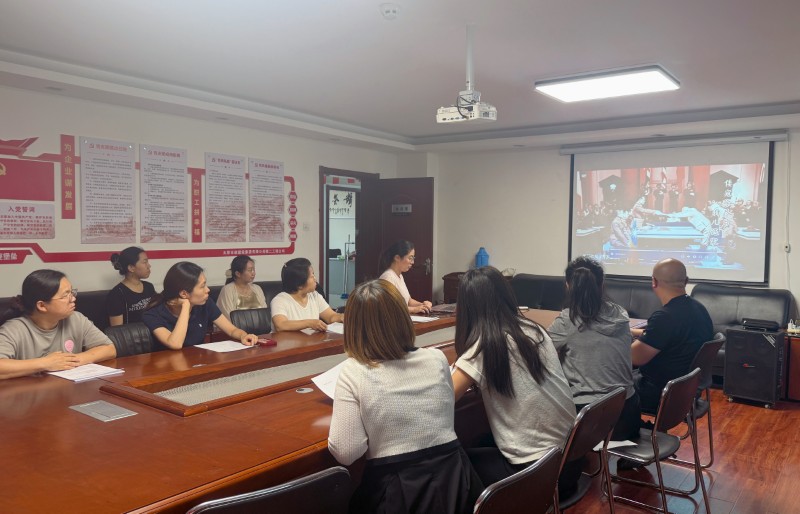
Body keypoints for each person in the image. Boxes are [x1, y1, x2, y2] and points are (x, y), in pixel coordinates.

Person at [328, 279, 482, 514]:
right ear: (403, 318)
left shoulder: (354, 371)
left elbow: (346, 452)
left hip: (398, 493)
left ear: (353, 327)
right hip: (457, 484)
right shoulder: (436, 358)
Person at [451, 267, 578, 497]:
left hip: (538, 477)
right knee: (481, 438)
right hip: (570, 463)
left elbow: (443, 397)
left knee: (455, 460)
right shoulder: (534, 330)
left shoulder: (485, 347)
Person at [548, 256, 640, 440]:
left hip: (590, 420)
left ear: (568, 286)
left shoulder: (568, 320)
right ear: (602, 283)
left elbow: (539, 351)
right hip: (628, 415)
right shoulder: (620, 313)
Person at [0, 270, 116, 380]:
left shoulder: (75, 319)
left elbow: (109, 349)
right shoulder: (13, 329)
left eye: (71, 292)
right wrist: (45, 363)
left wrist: (71, 361)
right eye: (65, 295)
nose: (73, 298)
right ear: (42, 306)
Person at [631, 258, 713, 413]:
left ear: (654, 282)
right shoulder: (698, 308)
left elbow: (634, 358)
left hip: (660, 392)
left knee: (611, 386)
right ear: (686, 281)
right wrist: (632, 332)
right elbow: (674, 337)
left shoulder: (665, 317)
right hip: (686, 390)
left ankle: (630, 427)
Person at [142, 262, 258, 350]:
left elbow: (232, 330)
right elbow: (175, 344)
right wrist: (186, 307)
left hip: (198, 362)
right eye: (202, 286)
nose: (207, 290)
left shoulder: (205, 303)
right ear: (184, 294)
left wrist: (243, 336)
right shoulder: (154, 313)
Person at [270, 258, 343, 332]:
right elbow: (281, 325)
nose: (315, 279)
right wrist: (309, 323)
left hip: (311, 339)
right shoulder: (279, 300)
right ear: (299, 285)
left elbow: (330, 317)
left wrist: (343, 317)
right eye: (311, 276)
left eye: (314, 274)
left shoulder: (315, 295)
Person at [378, 240, 433, 315]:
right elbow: (390, 308)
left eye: (413, 258)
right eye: (410, 258)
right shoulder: (387, 277)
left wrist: (423, 305)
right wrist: (414, 309)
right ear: (397, 258)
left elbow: (408, 301)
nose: (412, 262)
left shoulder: (399, 275)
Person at [107, 246, 156, 326]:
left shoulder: (149, 287)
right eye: (145, 262)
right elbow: (117, 330)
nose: (149, 266)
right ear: (131, 268)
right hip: (132, 334)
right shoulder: (117, 294)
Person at [215, 255, 267, 319]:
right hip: (235, 325)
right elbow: (229, 317)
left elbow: (265, 314)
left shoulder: (257, 289)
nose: (253, 273)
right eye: (250, 270)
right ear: (238, 274)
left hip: (261, 325)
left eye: (253, 269)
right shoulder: (227, 290)